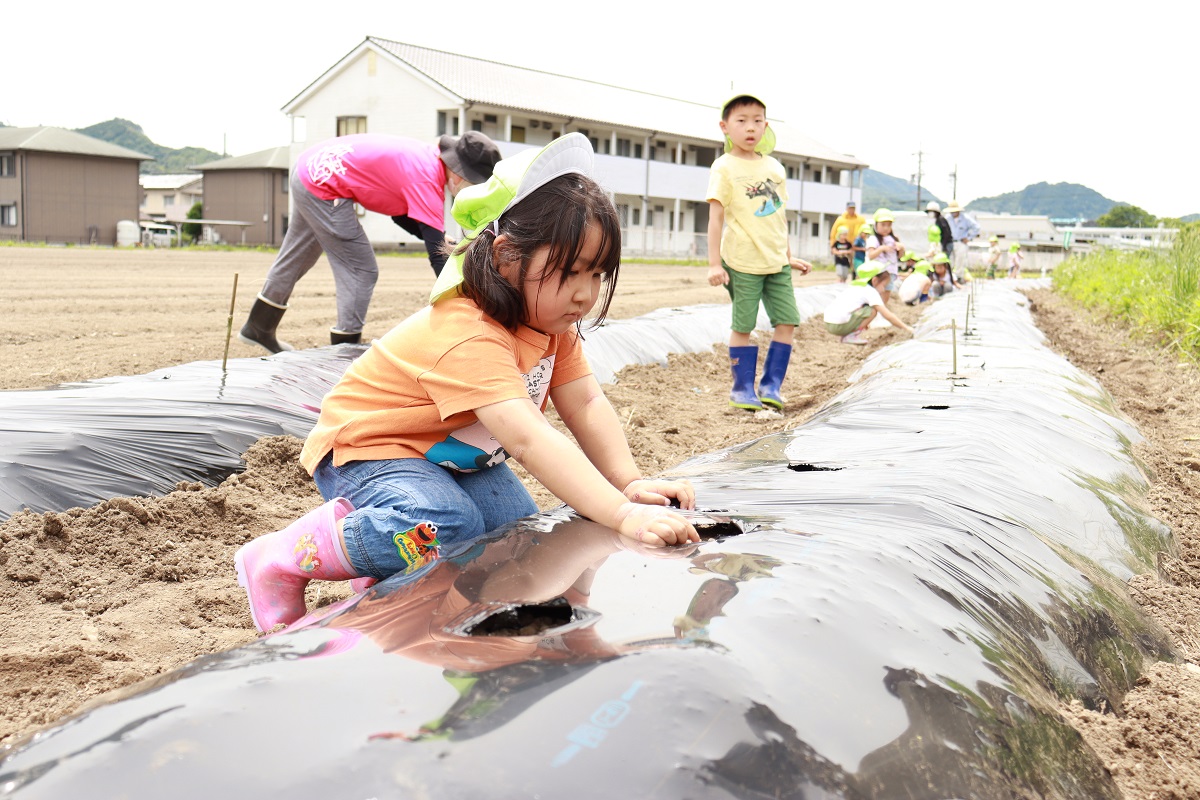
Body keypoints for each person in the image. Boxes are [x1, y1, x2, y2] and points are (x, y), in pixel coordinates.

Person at [234, 134, 700, 633]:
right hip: (371, 446)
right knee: (448, 523)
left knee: (514, 537)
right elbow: (526, 437)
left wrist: (627, 482)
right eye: (569, 273)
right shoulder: (469, 332)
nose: (585, 294)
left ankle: (385, 569)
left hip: (448, 455)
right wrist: (624, 515)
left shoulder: (550, 324)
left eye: (597, 275)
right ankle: (281, 558)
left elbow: (584, 401)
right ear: (505, 257)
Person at [238, 131, 503, 353]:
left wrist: (437, 238)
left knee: (298, 254)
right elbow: (438, 258)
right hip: (324, 183)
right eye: (474, 184)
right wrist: (468, 297)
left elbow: (402, 216)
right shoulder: (427, 179)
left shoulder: (425, 160)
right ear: (459, 174)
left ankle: (258, 327)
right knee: (361, 269)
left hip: (311, 167)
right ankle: (343, 349)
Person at [706, 92, 812, 412]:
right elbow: (716, 218)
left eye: (757, 121)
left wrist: (788, 255)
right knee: (743, 325)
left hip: (776, 261)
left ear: (765, 126)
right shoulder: (724, 167)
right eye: (742, 121)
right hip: (742, 260)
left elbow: (779, 216)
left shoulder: (775, 168)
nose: (750, 128)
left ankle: (771, 386)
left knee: (787, 321)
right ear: (725, 127)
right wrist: (713, 264)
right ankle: (741, 389)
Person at [822, 261, 915, 345]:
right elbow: (887, 315)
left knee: (866, 309)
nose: (883, 290)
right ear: (874, 280)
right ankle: (851, 336)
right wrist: (906, 328)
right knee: (873, 310)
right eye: (883, 285)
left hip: (829, 323)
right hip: (838, 326)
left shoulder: (855, 287)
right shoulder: (870, 291)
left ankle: (850, 333)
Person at [865, 208, 905, 305]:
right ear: (876, 225)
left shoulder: (893, 239)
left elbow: (900, 256)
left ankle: (881, 315)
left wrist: (902, 248)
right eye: (883, 225)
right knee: (875, 296)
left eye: (889, 225)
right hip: (878, 274)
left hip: (890, 272)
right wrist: (881, 248)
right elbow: (871, 255)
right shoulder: (873, 239)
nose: (886, 228)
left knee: (885, 298)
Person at [944, 200, 981, 277]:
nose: (953, 213)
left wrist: (969, 238)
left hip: (961, 242)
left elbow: (977, 227)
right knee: (950, 261)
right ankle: (949, 277)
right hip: (950, 242)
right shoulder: (947, 218)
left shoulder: (966, 218)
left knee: (960, 261)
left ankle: (959, 277)